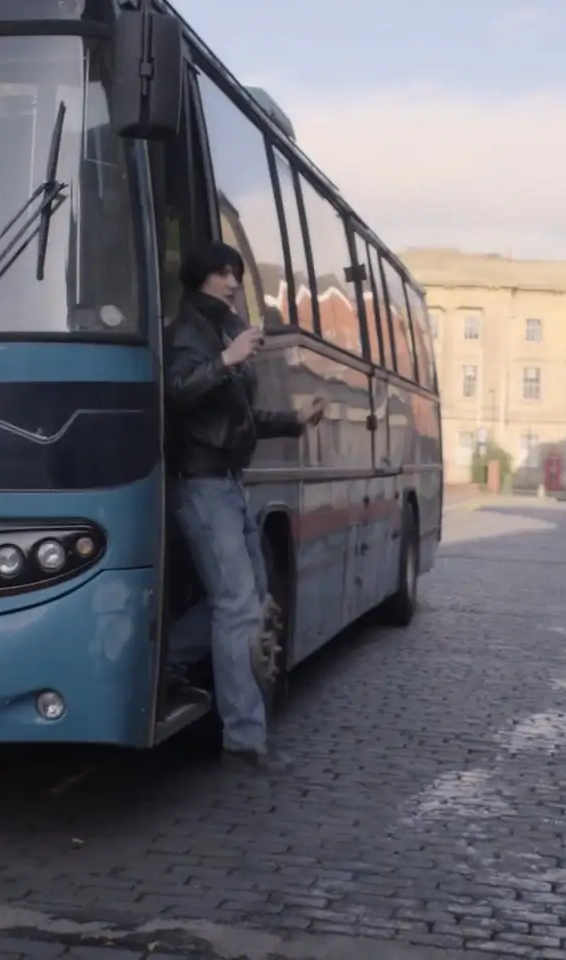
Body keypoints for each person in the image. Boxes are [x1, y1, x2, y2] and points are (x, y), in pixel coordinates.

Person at [163, 242, 326, 773]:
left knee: (246, 600)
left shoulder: (222, 329)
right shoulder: (188, 332)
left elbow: (237, 416)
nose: (233, 282)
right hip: (201, 481)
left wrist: (294, 422)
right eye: (222, 273)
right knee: (237, 606)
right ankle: (245, 737)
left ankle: (164, 658)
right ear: (199, 278)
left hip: (227, 481)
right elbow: (174, 391)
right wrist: (227, 361)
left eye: (234, 272)